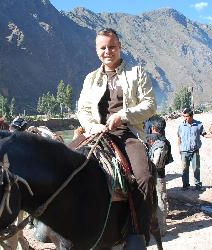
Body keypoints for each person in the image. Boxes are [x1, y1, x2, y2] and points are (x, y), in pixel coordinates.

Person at [77, 28, 156, 245]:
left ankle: (136, 234)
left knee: (144, 178)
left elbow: (150, 105)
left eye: (112, 47)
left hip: (126, 132)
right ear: (96, 50)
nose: (107, 51)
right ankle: (52, 226)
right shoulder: (90, 78)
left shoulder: (137, 73)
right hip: (95, 132)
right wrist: (92, 126)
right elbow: (83, 109)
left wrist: (123, 115)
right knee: (62, 163)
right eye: (103, 48)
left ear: (120, 47)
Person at [145, 115, 173, 236]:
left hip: (157, 177)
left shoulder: (160, 144)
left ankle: (161, 228)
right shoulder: (162, 141)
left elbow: (156, 164)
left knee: (160, 200)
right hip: (158, 176)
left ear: (153, 128)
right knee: (161, 199)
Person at [177, 108, 211, 191]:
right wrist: (179, 148)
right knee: (185, 169)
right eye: (184, 116)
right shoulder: (181, 125)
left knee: (196, 168)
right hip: (184, 151)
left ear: (191, 116)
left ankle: (198, 185)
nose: (185, 118)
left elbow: (204, 134)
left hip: (195, 151)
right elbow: (179, 137)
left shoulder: (198, 125)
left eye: (186, 116)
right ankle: (185, 185)